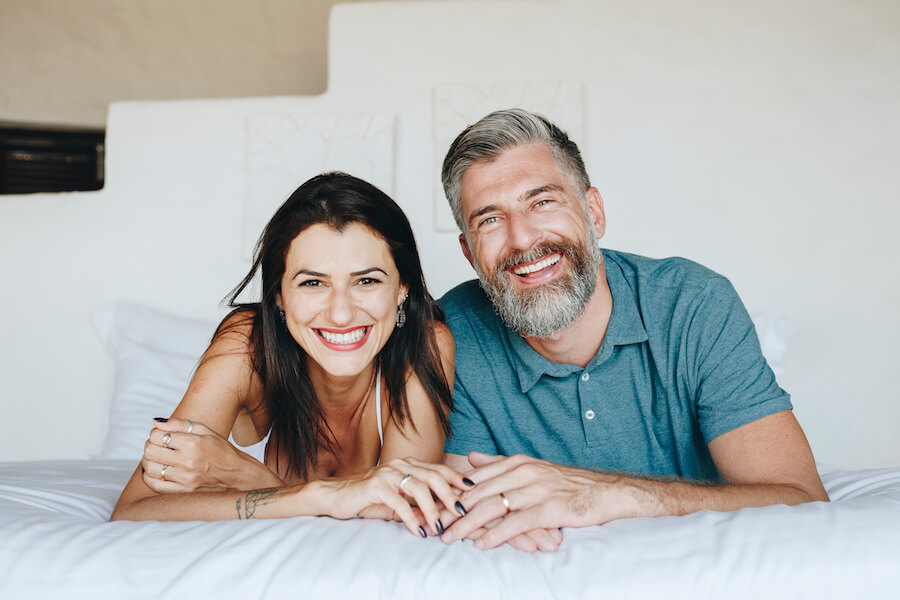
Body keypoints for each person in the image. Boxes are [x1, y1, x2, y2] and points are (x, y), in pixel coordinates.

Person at [435, 108, 829, 552]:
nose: (523, 239)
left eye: (542, 202)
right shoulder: (452, 335)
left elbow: (800, 502)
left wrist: (604, 496)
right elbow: (463, 510)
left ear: (594, 213)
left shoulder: (694, 303)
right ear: (470, 253)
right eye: (490, 219)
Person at [111, 172, 465, 538]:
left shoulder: (426, 343)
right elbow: (133, 510)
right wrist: (321, 497)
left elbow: (403, 512)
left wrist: (243, 474)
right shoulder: (246, 343)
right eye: (313, 283)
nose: (341, 314)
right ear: (278, 294)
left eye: (367, 281)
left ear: (402, 288)